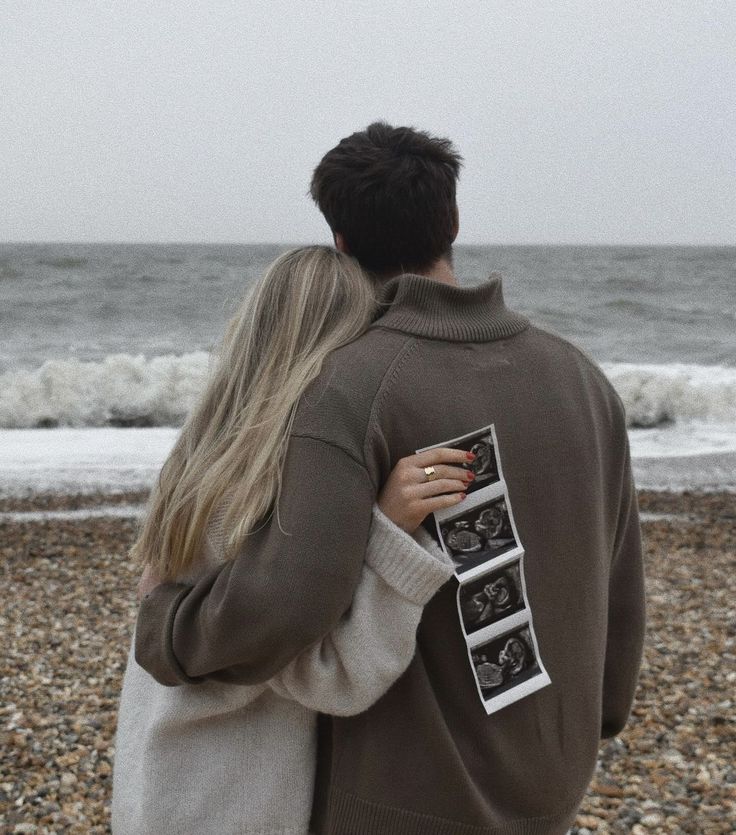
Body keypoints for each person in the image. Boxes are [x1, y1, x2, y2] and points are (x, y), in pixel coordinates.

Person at [135, 123, 646, 835]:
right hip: (555, 775)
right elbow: (619, 577)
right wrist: (603, 711)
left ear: (340, 240)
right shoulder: (582, 378)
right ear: (454, 221)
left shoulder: (349, 383)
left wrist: (165, 625)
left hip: (408, 798)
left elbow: (286, 604)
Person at [112, 245, 472, 833]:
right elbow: (335, 677)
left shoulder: (205, 453)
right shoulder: (277, 487)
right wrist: (389, 541)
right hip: (232, 799)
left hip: (155, 774)